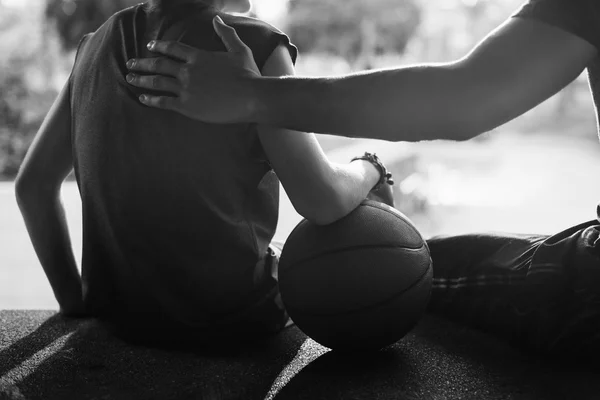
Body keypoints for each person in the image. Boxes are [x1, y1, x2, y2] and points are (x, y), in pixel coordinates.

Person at [125, 0, 600, 359]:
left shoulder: (110, 41)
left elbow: (467, 100)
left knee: (411, 267)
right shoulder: (253, 40)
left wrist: (252, 96)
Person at [14, 0, 394, 349]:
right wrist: (371, 168)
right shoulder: (252, 43)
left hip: (118, 318)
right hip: (229, 320)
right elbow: (322, 200)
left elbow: (33, 185)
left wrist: (74, 301)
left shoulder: (94, 46)